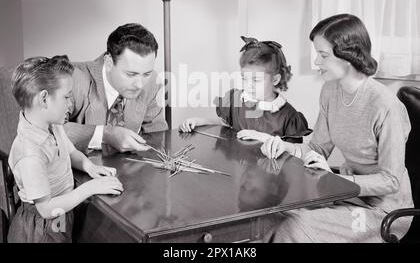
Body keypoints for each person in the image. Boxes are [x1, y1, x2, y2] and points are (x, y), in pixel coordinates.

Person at [261, 14, 414, 242]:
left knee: (295, 225)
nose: (316, 62)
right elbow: (317, 149)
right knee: (276, 213)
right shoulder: (330, 91)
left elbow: (390, 181)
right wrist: (283, 146)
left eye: (323, 55)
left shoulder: (386, 105)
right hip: (346, 196)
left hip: (382, 212)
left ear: (347, 56)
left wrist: (341, 183)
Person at [7, 56, 123, 243]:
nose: (71, 104)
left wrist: (90, 167)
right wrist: (91, 188)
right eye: (67, 97)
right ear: (44, 99)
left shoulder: (53, 125)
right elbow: (45, 209)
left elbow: (71, 153)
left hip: (60, 215)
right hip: (41, 230)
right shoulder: (30, 154)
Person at [179, 36, 312, 144]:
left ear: (275, 80)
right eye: (245, 78)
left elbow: (293, 156)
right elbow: (224, 124)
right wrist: (200, 121)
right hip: (242, 172)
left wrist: (264, 138)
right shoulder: (236, 100)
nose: (249, 85)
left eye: (256, 80)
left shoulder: (288, 117)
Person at [64, 23, 168, 154]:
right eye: (131, 74)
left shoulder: (153, 82)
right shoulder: (72, 79)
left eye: (146, 74)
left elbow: (156, 136)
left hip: (129, 170)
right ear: (108, 63)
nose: (140, 85)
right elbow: (48, 129)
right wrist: (105, 134)